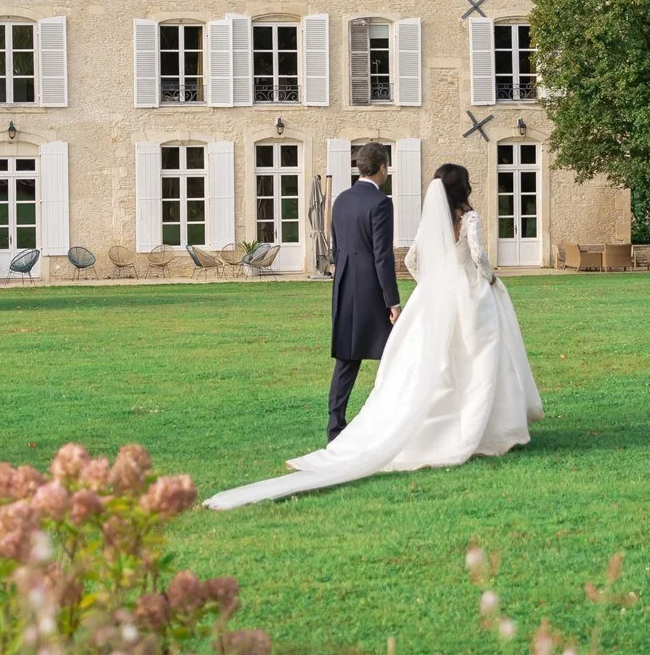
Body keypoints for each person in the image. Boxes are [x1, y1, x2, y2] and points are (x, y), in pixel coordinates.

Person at [205, 162, 542, 509]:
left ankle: (438, 426)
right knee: (478, 360)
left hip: (435, 295)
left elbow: (411, 259)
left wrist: (433, 283)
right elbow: (479, 256)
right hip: (470, 293)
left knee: (432, 364)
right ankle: (483, 428)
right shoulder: (470, 218)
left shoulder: (432, 221)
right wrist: (487, 279)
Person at [324, 142, 399, 444]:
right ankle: (393, 420)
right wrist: (392, 301)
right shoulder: (381, 203)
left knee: (347, 359)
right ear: (382, 168)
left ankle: (334, 427)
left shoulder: (341, 200)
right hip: (371, 292)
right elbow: (383, 256)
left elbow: (336, 247)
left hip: (344, 288)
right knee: (394, 354)